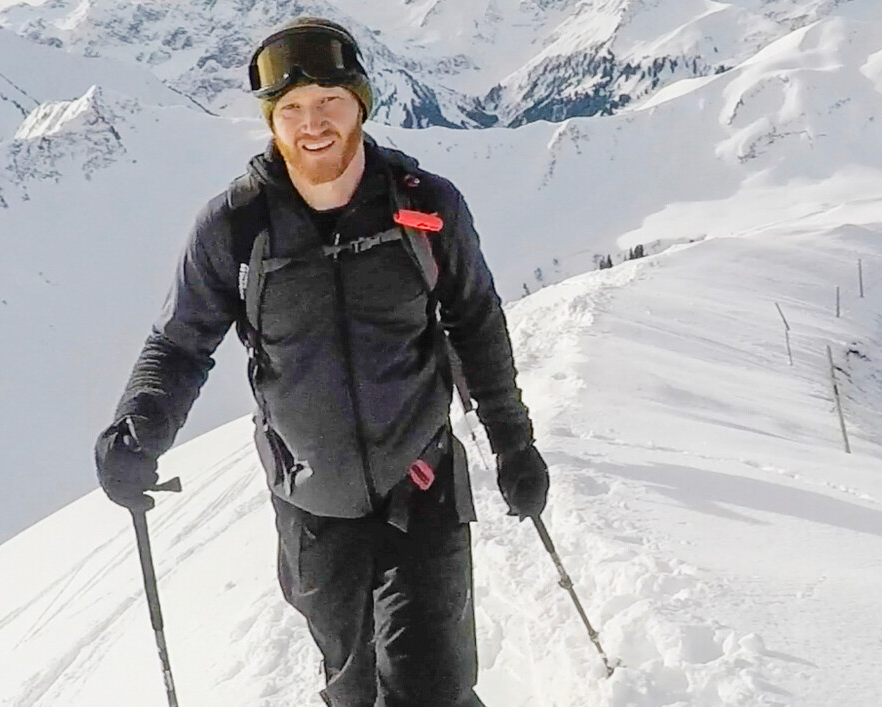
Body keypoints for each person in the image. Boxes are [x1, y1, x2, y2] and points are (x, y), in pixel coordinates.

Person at [93, 16, 548, 707]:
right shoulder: (236, 227)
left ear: (360, 104)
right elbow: (180, 344)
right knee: (350, 685)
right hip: (311, 503)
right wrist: (138, 428)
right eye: (293, 108)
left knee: (435, 686)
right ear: (271, 121)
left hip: (419, 481)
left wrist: (514, 443)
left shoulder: (424, 207)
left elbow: (476, 322)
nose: (314, 123)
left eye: (331, 101)